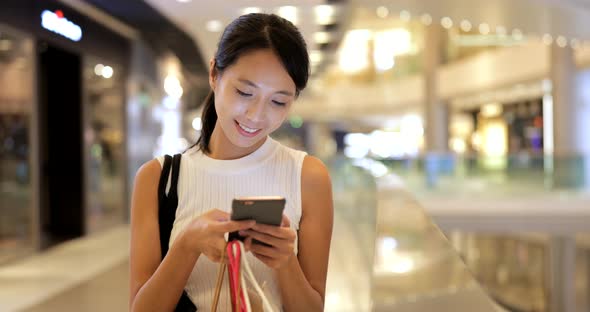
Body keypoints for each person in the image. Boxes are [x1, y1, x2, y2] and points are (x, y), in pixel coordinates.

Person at [129, 13, 334, 311]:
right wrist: (187, 245)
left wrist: (285, 261)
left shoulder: (308, 176)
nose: (256, 115)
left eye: (278, 101)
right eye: (244, 92)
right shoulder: (158, 178)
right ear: (214, 73)